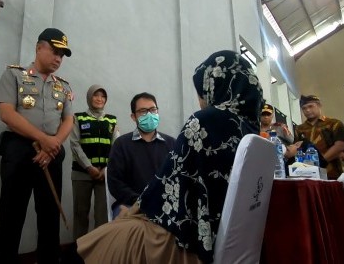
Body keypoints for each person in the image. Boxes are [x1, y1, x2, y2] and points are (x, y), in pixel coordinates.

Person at [77, 50, 264, 263]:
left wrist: (137, 210)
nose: (201, 100)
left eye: (201, 92)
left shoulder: (203, 123)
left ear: (215, 86)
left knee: (93, 246)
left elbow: (169, 191)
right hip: (225, 233)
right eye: (142, 112)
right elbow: (120, 182)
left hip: (183, 233)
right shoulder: (252, 131)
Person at [0, 28, 73, 264]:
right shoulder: (15, 75)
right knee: (11, 216)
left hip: (53, 152)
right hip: (19, 149)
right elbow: (6, 113)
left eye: (63, 55)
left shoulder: (63, 86)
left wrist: (53, 143)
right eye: (55, 51)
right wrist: (44, 139)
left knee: (49, 217)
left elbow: (69, 119)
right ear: (39, 48)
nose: (59, 58)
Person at [106, 92, 176, 218]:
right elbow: (115, 183)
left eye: (153, 110)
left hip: (165, 205)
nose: (149, 114)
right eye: (143, 111)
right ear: (133, 116)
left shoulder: (172, 144)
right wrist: (141, 201)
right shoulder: (121, 145)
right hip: (130, 205)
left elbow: (179, 178)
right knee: (130, 229)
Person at [70, 84, 120, 240]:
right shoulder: (78, 118)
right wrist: (89, 167)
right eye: (96, 95)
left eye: (103, 96)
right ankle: (78, 253)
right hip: (81, 174)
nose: (99, 99)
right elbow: (74, 145)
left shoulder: (111, 120)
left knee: (103, 216)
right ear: (89, 97)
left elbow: (116, 147)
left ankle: (99, 252)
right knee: (80, 214)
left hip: (104, 176)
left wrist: (105, 169)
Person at [294, 95, 344, 179]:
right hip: (308, 175)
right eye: (304, 108)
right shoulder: (299, 129)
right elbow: (297, 148)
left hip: (332, 174)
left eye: (311, 106)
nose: (307, 110)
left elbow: (340, 146)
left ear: (319, 105)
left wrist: (320, 162)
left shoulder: (334, 124)